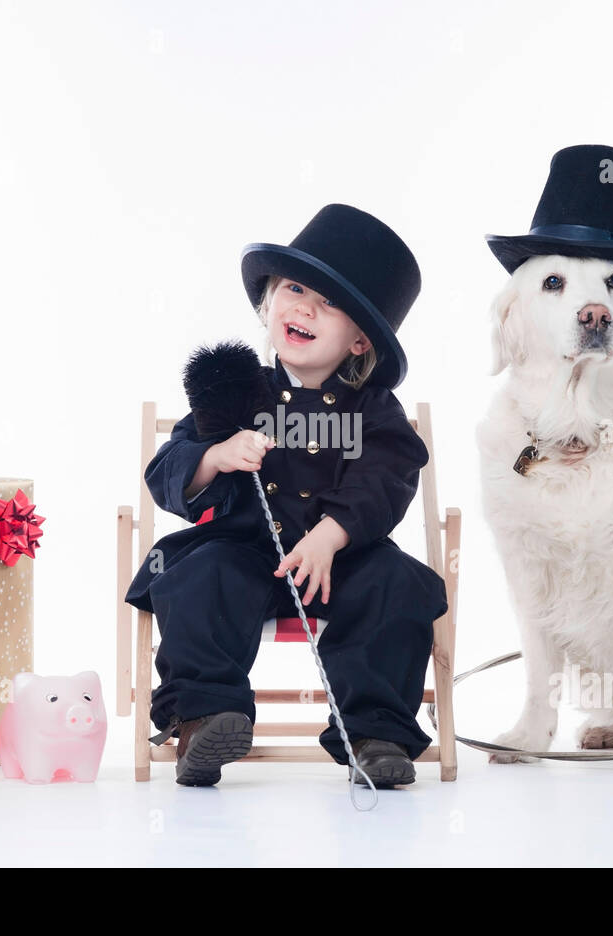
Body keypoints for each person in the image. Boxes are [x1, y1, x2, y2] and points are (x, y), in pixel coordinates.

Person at [124, 203, 448, 787]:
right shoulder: (235, 391)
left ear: (358, 342)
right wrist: (215, 456)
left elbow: (389, 472)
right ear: (268, 302)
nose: (304, 307)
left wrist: (332, 533)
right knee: (198, 576)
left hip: (343, 557)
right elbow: (167, 467)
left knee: (396, 587)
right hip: (246, 549)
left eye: (329, 302)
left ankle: (373, 733)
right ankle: (207, 716)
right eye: (295, 288)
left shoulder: (371, 409)